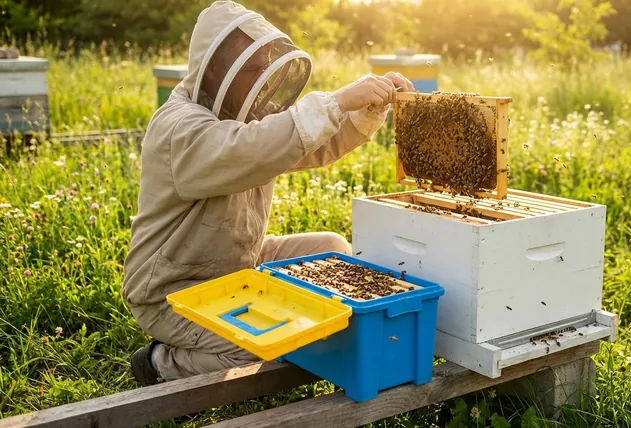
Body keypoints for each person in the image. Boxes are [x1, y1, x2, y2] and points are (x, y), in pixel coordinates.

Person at [122, 0, 414, 387]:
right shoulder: (181, 129)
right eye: (253, 69)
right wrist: (337, 100)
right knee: (258, 345)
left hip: (236, 265)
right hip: (173, 288)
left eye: (265, 66)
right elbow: (250, 148)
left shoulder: (242, 119)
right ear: (214, 70)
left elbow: (300, 145)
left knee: (331, 247)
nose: (263, 79)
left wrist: (366, 111)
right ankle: (161, 362)